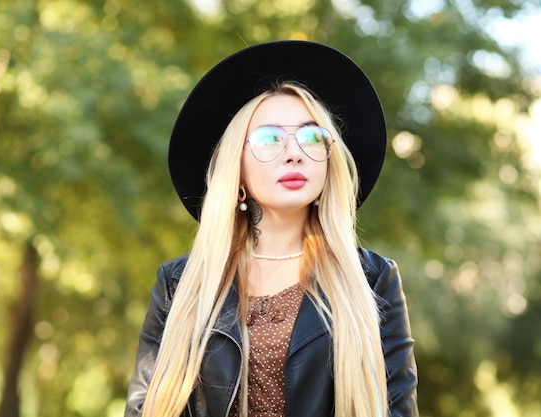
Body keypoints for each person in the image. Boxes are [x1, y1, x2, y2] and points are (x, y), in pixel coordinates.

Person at [125, 40, 418, 417]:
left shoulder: (373, 280)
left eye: (313, 137)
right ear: (238, 167)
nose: (294, 152)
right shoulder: (179, 284)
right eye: (269, 138)